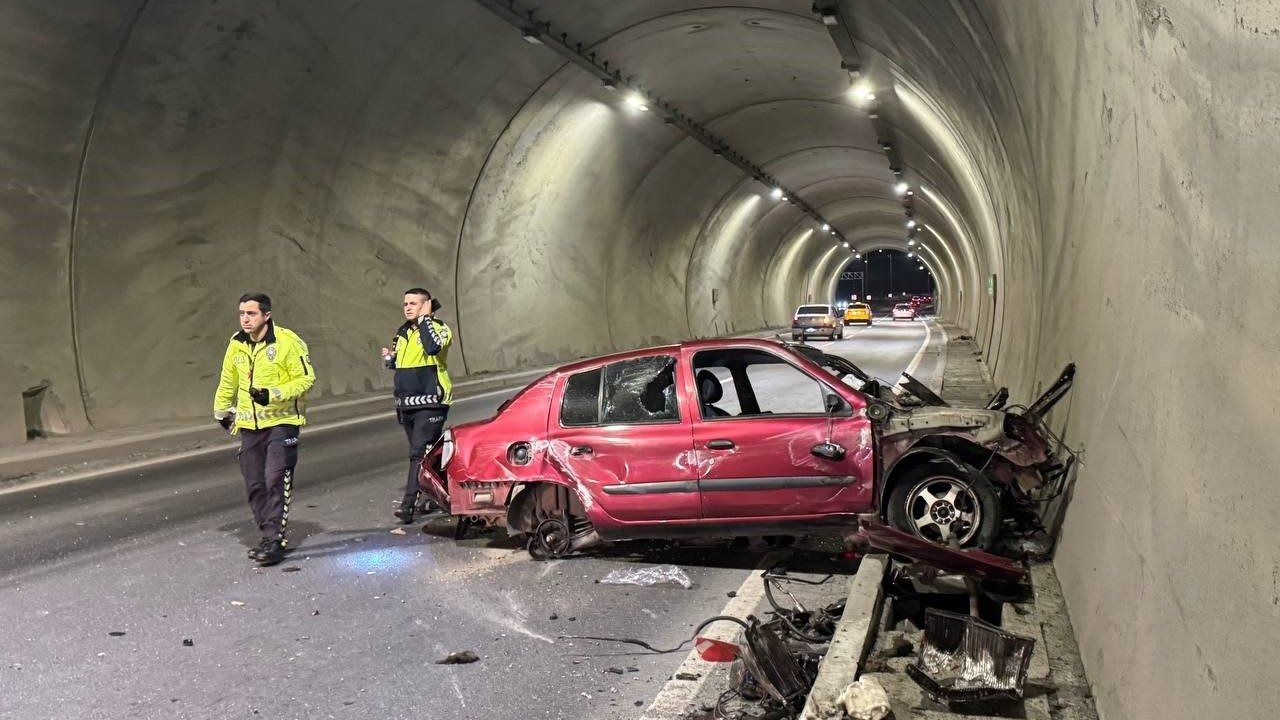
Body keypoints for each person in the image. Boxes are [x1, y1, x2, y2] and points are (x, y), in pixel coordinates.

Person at [213, 293, 316, 565]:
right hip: (250, 425)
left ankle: (274, 540)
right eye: (242, 314)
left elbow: (306, 379)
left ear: (266, 316)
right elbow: (228, 379)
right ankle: (267, 534)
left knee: (275, 479)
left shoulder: (287, 342)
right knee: (255, 484)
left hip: (282, 423)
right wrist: (221, 410)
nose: (245, 319)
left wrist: (273, 394)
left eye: (252, 314)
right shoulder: (236, 344)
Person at [381, 288, 453, 523]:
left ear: (427, 305)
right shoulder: (402, 333)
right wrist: (390, 360)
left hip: (431, 401)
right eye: (405, 304)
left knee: (417, 454)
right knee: (425, 455)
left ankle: (408, 505)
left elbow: (433, 348)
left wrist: (425, 319)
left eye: (414, 303)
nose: (408, 307)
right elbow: (402, 364)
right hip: (406, 402)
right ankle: (438, 494)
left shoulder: (439, 328)